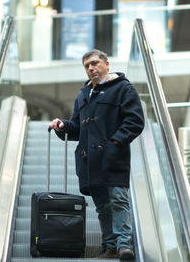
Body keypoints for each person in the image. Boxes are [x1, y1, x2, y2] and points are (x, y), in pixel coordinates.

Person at [49, 49, 144, 260]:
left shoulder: (123, 88)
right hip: (89, 161)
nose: (91, 68)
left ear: (106, 64)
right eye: (86, 66)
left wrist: (115, 142)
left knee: (118, 200)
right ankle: (109, 247)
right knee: (102, 206)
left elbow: (135, 121)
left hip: (113, 157)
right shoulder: (83, 95)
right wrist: (63, 125)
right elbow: (77, 128)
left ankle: (123, 245)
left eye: (94, 63)